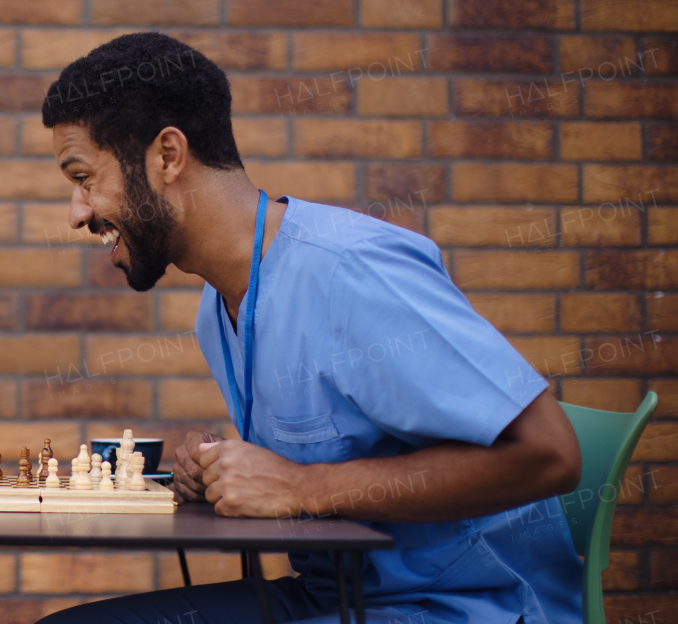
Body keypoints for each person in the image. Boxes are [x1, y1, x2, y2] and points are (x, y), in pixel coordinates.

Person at [37, 33, 582, 624]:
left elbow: (549, 454)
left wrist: (303, 487)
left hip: (464, 608)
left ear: (167, 156)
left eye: (84, 177)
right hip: (332, 599)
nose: (77, 212)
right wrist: (220, 469)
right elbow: (319, 458)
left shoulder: (353, 271)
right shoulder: (218, 305)